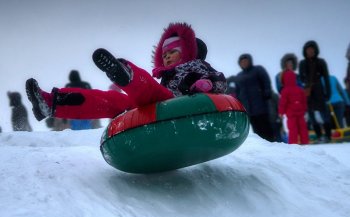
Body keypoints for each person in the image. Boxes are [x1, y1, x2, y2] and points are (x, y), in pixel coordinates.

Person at [25, 22, 226, 123]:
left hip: (186, 108)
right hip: (163, 112)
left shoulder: (196, 66)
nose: (167, 57)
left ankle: (127, 74)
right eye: (164, 54)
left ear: (188, 52)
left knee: (152, 90)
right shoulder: (166, 76)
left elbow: (219, 82)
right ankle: (50, 103)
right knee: (115, 100)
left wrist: (205, 84)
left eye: (173, 51)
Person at [234, 53, 274, 142]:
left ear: (250, 61)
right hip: (248, 107)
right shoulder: (239, 76)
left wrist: (267, 92)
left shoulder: (258, 70)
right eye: (242, 62)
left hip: (260, 104)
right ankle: (262, 144)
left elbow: (266, 80)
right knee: (256, 128)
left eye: (246, 61)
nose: (244, 63)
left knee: (265, 125)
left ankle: (271, 142)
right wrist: (238, 103)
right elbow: (237, 91)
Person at [299, 40, 332, 143]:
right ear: (305, 51)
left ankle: (327, 136)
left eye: (312, 49)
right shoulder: (302, 63)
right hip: (307, 91)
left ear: (315, 50)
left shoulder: (321, 62)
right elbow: (301, 78)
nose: (310, 51)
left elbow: (326, 78)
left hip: (319, 90)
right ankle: (319, 136)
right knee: (311, 115)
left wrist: (328, 92)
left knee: (324, 113)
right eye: (308, 49)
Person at [278, 70, 309, 145]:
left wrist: (281, 112)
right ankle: (305, 143)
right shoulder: (299, 89)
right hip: (300, 113)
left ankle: (293, 144)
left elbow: (283, 103)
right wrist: (304, 109)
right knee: (303, 129)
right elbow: (304, 101)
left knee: (292, 130)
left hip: (291, 114)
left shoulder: (285, 91)